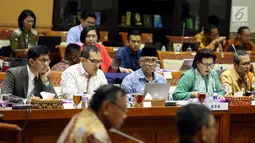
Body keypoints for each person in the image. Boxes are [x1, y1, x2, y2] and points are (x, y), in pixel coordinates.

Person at [57, 85, 127, 143]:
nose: (124, 116)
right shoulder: (96, 135)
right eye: (123, 109)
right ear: (106, 106)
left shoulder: (79, 116)